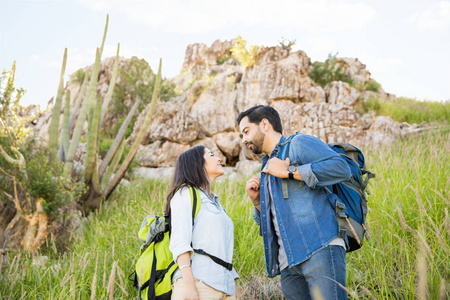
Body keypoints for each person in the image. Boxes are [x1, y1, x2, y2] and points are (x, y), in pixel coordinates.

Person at [237, 105, 352, 300]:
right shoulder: (266, 168)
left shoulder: (298, 144)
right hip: (288, 265)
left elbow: (342, 168)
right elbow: (270, 225)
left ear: (264, 124)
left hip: (319, 249)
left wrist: (289, 171)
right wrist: (257, 202)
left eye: (246, 131)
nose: (244, 140)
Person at [165, 145, 240, 300]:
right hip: (199, 285)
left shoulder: (216, 202)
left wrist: (234, 288)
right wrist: (190, 287)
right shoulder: (185, 194)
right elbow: (180, 243)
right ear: (197, 164)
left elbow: (222, 250)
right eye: (212, 155)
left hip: (225, 287)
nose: (219, 158)